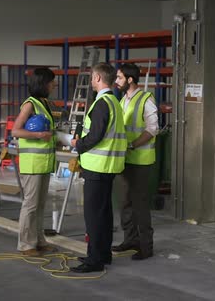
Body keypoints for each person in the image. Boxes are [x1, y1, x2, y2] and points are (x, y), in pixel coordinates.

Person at [70, 63, 127, 273]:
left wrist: (78, 144)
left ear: (97, 78)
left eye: (93, 77)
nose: (91, 80)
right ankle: (103, 254)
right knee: (103, 213)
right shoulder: (114, 102)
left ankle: (94, 260)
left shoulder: (102, 103)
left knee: (93, 215)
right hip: (108, 166)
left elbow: (95, 136)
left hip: (97, 167)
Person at [112, 63, 158, 260]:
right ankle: (130, 239)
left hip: (141, 160)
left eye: (120, 78)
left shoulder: (146, 99)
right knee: (125, 202)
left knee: (139, 204)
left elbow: (152, 129)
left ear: (130, 80)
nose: (116, 81)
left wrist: (132, 145)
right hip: (125, 160)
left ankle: (146, 247)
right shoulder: (123, 100)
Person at [11, 67, 58, 257]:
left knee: (39, 205)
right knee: (30, 205)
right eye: (51, 82)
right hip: (32, 164)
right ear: (43, 83)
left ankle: (39, 241)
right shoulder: (29, 104)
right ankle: (25, 244)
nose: (53, 85)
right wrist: (38, 135)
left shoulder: (44, 103)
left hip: (44, 163)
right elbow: (16, 130)